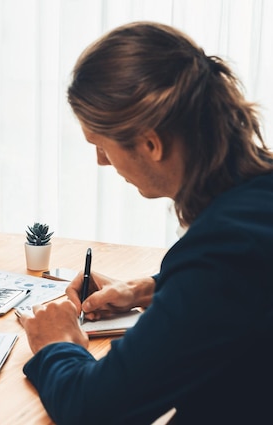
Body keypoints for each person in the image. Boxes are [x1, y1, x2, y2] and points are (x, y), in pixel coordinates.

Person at [17, 21, 273, 424]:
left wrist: (56, 343)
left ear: (150, 143)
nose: (102, 162)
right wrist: (153, 288)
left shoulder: (225, 247)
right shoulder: (256, 201)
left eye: (101, 146)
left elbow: (93, 409)